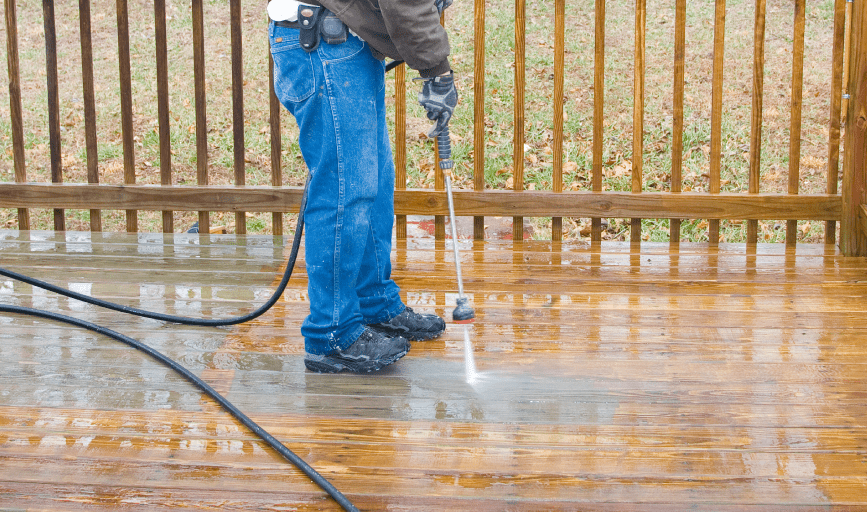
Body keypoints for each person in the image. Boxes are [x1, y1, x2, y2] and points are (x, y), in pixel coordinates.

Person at [267, 0, 458, 373]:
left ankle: (374, 303)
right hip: (321, 47)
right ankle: (332, 333)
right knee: (344, 192)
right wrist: (436, 69)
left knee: (372, 184)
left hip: (344, 45)